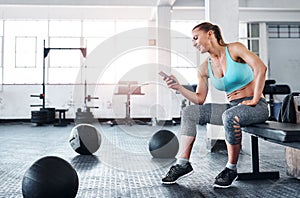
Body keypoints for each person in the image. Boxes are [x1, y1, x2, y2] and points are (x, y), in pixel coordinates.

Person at [161, 22, 269, 188]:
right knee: (190, 112)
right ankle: (183, 164)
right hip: (233, 107)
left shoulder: (235, 49)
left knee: (229, 116)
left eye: (196, 38)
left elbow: (261, 68)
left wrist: (255, 99)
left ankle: (231, 168)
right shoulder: (204, 67)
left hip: (257, 107)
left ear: (210, 34)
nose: (194, 43)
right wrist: (179, 87)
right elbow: (199, 99)